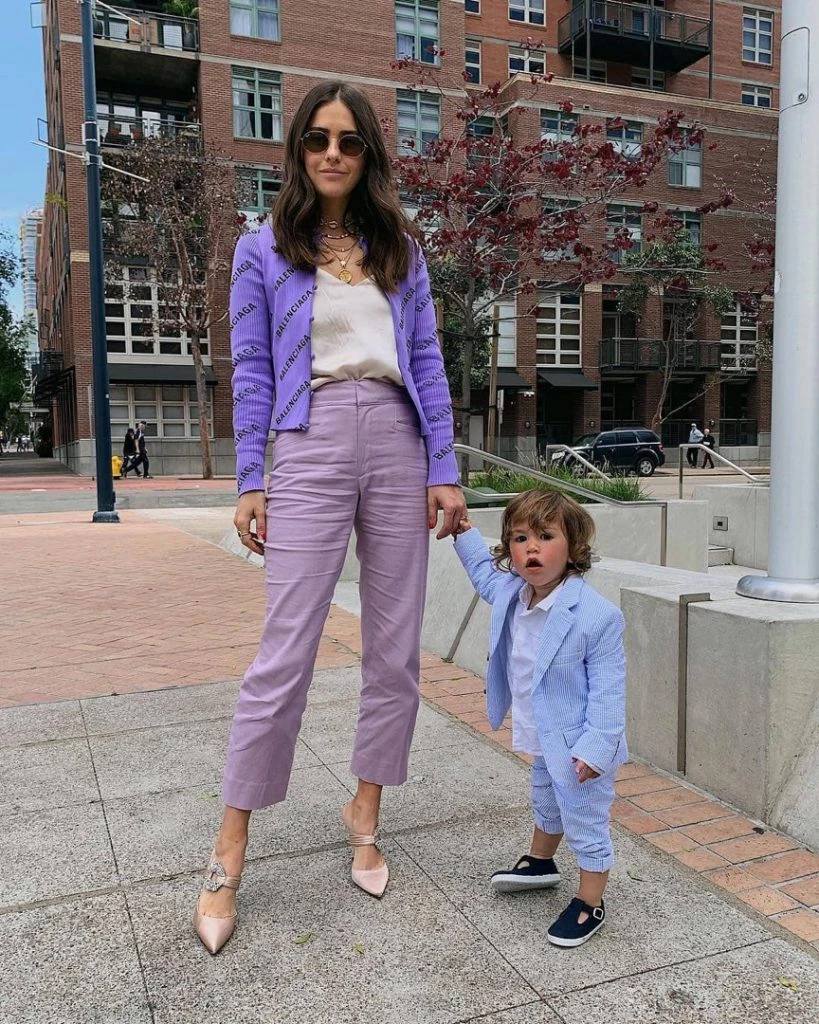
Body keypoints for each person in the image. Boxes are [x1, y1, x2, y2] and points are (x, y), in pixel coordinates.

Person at [193, 80, 465, 955]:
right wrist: (251, 479)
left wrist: (444, 467)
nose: (333, 154)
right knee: (285, 652)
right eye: (317, 139)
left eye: (348, 140)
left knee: (395, 648)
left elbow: (424, 359)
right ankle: (229, 849)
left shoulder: (401, 251)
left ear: (368, 152)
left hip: (396, 439)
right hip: (306, 442)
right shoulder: (263, 249)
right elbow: (250, 370)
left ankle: (365, 810)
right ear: (298, 150)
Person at [453, 489, 626, 948]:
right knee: (545, 798)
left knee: (585, 818)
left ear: (573, 547)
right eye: (520, 538)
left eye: (546, 537)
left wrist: (596, 749)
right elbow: (482, 575)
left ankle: (591, 901)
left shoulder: (596, 617)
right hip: (542, 732)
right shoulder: (513, 592)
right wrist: (463, 533)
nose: (532, 547)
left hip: (580, 748)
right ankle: (541, 861)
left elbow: (609, 692)